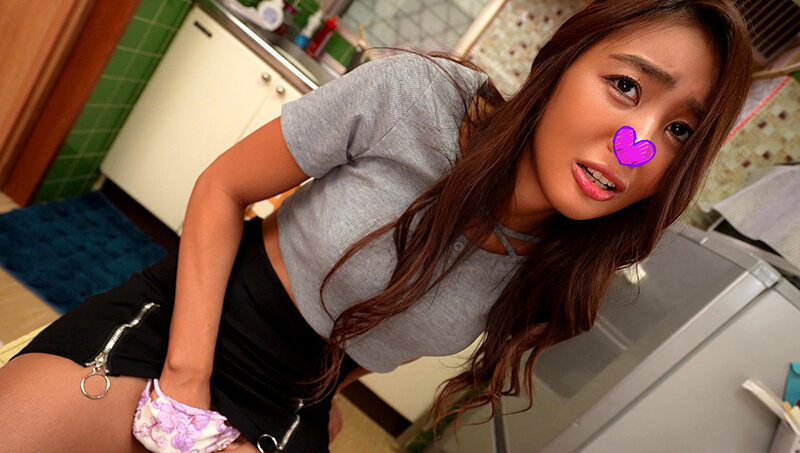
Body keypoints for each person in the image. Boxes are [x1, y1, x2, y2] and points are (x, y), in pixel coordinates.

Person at [0, 0, 752, 451]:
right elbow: (222, 187)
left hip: (290, 407)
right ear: (560, 63)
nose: (637, 145)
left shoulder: (564, 266)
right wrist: (184, 391)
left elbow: (389, 331)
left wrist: (322, 404)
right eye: (625, 86)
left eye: (679, 131)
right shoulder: (417, 99)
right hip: (185, 326)